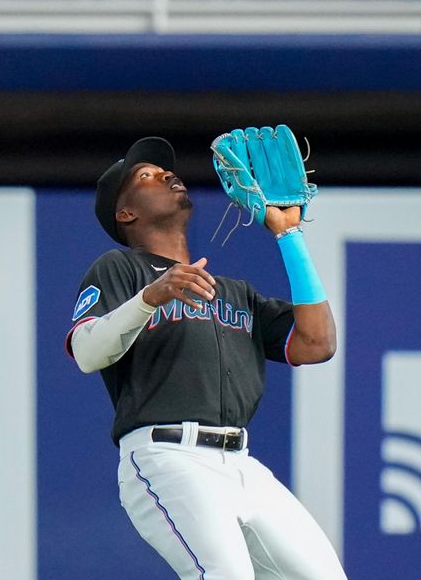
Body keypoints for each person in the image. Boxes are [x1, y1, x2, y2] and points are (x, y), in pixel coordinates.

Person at [66, 136, 347, 579]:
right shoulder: (119, 269)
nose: (165, 174)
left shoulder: (234, 292)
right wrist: (149, 298)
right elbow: (86, 352)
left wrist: (288, 233)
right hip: (166, 457)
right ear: (126, 213)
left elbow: (317, 343)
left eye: (164, 170)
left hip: (240, 464)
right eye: (146, 175)